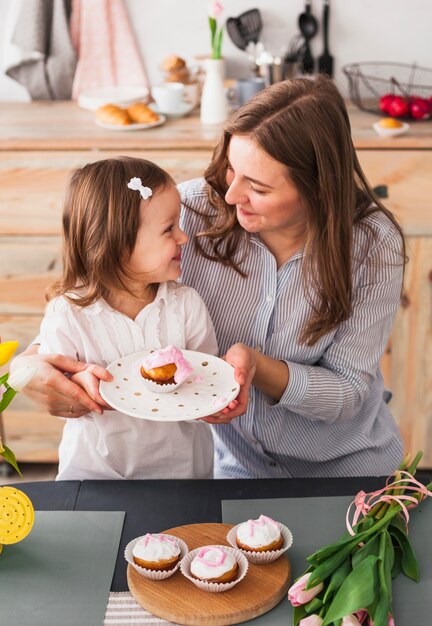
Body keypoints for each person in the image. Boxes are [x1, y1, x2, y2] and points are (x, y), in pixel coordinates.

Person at [12, 76, 405, 479]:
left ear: (319, 188)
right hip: (234, 470)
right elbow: (102, 298)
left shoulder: (373, 244)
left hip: (348, 471)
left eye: (257, 187)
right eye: (231, 169)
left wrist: (257, 367)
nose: (232, 196)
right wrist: (28, 368)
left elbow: (348, 392)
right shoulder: (189, 210)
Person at [31, 156, 221, 480]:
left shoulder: (185, 305)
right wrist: (76, 387)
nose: (183, 237)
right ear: (118, 245)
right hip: (95, 475)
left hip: (184, 474)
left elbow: (207, 380)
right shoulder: (68, 314)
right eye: (168, 229)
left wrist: (216, 400)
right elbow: (59, 391)